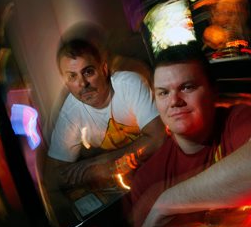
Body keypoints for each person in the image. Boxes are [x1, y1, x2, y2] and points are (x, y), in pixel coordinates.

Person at [131, 44, 251, 227]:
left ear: (213, 91)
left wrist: (168, 200)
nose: (174, 101)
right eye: (164, 93)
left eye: (187, 87)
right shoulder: (146, 180)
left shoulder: (237, 121)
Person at [45, 37, 166, 192]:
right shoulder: (70, 112)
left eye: (88, 72)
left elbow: (158, 138)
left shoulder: (129, 84)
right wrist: (98, 170)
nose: (83, 83)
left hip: (162, 166)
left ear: (103, 69)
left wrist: (104, 162)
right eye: (72, 76)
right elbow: (55, 176)